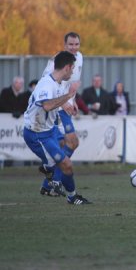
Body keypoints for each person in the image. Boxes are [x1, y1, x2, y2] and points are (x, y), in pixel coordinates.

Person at [23, 51, 90, 204]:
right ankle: (55, 180)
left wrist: (66, 105)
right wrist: (68, 96)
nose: (73, 72)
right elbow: (46, 105)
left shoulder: (58, 83)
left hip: (49, 130)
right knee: (66, 164)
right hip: (36, 135)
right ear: (66, 68)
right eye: (72, 69)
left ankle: (57, 182)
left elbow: (54, 104)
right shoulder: (47, 84)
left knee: (66, 149)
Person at [40, 32, 83, 196]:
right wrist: (64, 102)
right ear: (65, 45)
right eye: (70, 44)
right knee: (72, 142)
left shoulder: (80, 58)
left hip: (66, 105)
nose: (74, 47)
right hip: (55, 108)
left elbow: (71, 84)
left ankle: (49, 185)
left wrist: (74, 101)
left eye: (76, 44)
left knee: (69, 144)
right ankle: (54, 182)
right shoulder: (55, 61)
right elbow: (46, 84)